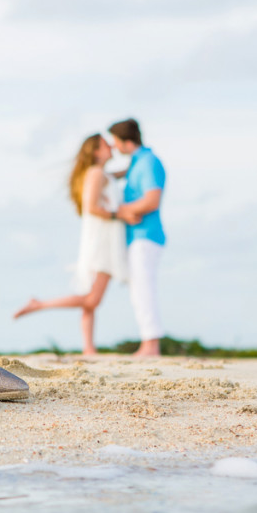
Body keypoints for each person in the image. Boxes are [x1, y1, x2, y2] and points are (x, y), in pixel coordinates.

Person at [14, 134, 129, 355]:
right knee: (92, 299)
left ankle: (88, 347)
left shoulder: (100, 173)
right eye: (107, 145)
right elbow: (92, 206)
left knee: (89, 299)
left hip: (100, 238)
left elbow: (114, 176)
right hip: (103, 241)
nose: (112, 146)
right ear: (96, 151)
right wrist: (120, 215)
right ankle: (39, 304)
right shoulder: (96, 173)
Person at [111, 118, 165, 357]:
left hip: (146, 236)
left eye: (115, 142)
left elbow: (153, 200)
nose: (114, 147)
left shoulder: (149, 162)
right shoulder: (136, 163)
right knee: (138, 289)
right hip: (137, 237)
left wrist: (121, 212)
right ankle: (148, 342)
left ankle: (151, 345)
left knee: (144, 288)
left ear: (125, 141)